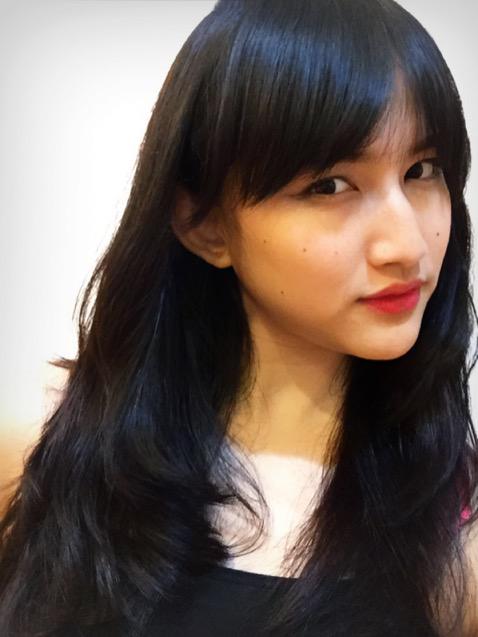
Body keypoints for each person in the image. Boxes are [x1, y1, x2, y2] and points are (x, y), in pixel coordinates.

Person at [1, 0, 477, 635]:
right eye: (330, 185)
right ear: (204, 226)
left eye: (422, 171)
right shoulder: (42, 453)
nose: (408, 245)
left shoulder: (456, 538)